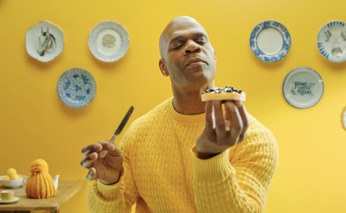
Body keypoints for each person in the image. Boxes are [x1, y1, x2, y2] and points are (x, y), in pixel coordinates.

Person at [80, 16, 278, 213]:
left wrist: (210, 158)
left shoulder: (255, 138)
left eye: (201, 41)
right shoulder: (138, 135)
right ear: (163, 67)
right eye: (177, 45)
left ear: (214, 56)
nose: (192, 47)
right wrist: (110, 183)